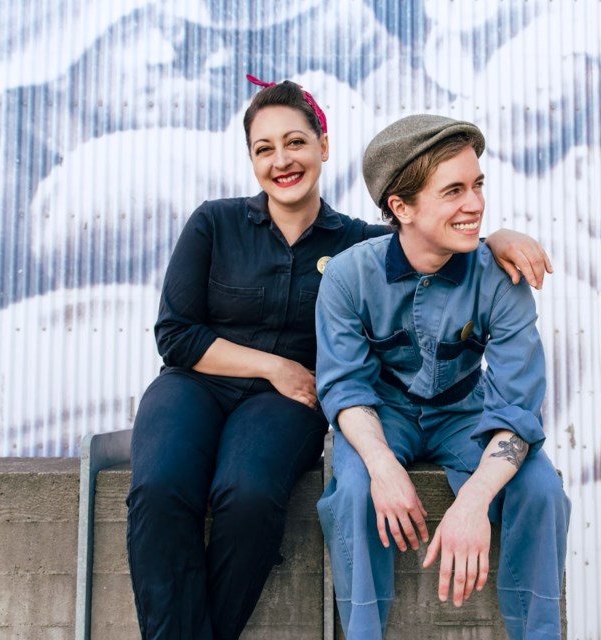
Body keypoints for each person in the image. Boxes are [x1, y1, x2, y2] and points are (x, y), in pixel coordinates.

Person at [125, 78, 554, 640]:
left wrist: (496, 236)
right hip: (202, 381)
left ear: (324, 146)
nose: (282, 160)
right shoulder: (217, 223)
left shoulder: (354, 241)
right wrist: (275, 366)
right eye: (264, 148)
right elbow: (177, 334)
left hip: (289, 406)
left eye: (296, 142)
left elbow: (429, 234)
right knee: (158, 491)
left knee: (250, 496)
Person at [315, 114, 572, 639]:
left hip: (465, 414)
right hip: (383, 415)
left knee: (543, 488)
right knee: (354, 490)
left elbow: (518, 407)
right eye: (453, 190)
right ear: (401, 207)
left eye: (477, 185)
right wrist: (384, 466)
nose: (475, 204)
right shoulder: (347, 276)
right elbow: (344, 388)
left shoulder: (503, 278)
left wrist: (472, 503)